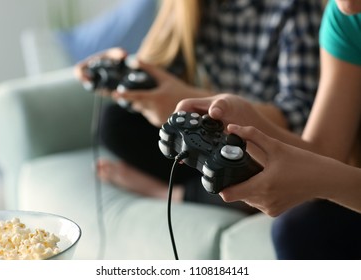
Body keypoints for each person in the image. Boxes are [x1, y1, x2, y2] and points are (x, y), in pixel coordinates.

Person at [75, 0, 322, 212]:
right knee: (115, 123)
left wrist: (186, 97)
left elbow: (297, 118)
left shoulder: (293, 7)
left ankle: (166, 193)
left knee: (245, 172)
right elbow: (158, 71)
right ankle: (203, 182)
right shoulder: (193, 6)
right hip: (212, 133)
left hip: (262, 140)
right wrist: (118, 75)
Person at [175, 0, 361, 259]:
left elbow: (325, 170)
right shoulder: (345, 18)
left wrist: (327, 181)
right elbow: (325, 153)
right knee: (300, 230)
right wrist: (248, 118)